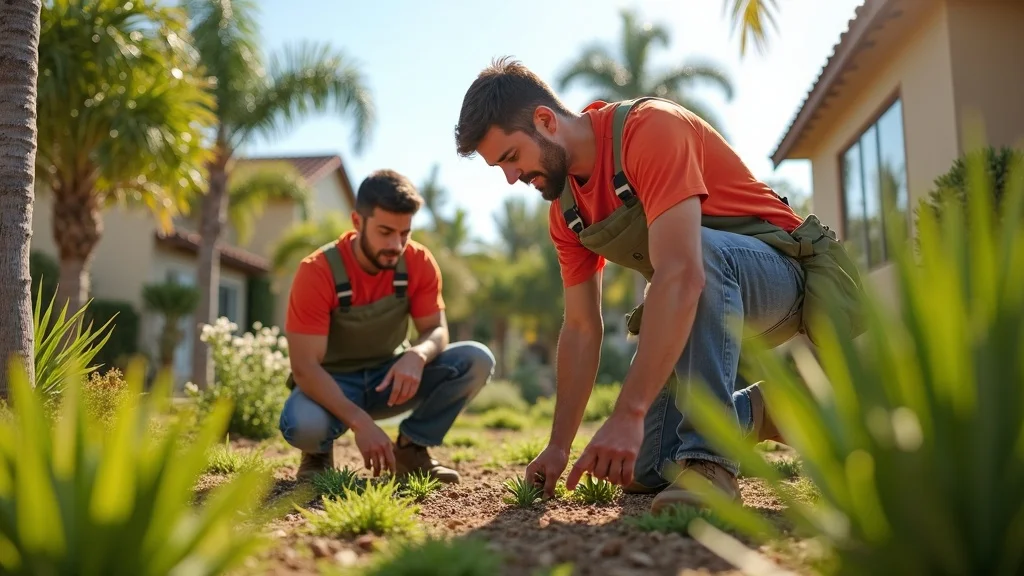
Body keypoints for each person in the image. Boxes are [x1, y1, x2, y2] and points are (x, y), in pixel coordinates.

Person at [453, 57, 861, 512]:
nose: (512, 177)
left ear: (545, 121)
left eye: (511, 157)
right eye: (499, 168)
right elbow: (582, 328)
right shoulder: (565, 213)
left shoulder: (650, 129)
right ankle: (770, 410)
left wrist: (627, 412)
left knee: (694, 255)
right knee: (646, 469)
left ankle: (711, 467)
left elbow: (683, 274)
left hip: (783, 279)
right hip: (701, 307)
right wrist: (557, 446)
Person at [279, 168, 496, 484]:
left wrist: (418, 355)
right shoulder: (318, 271)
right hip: (332, 384)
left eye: (404, 233)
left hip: (389, 381)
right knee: (304, 424)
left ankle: (411, 449)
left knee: (476, 359)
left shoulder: (418, 262)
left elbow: (437, 330)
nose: (396, 244)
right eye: (385, 232)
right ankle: (317, 455)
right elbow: (305, 368)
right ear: (357, 222)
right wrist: (361, 423)